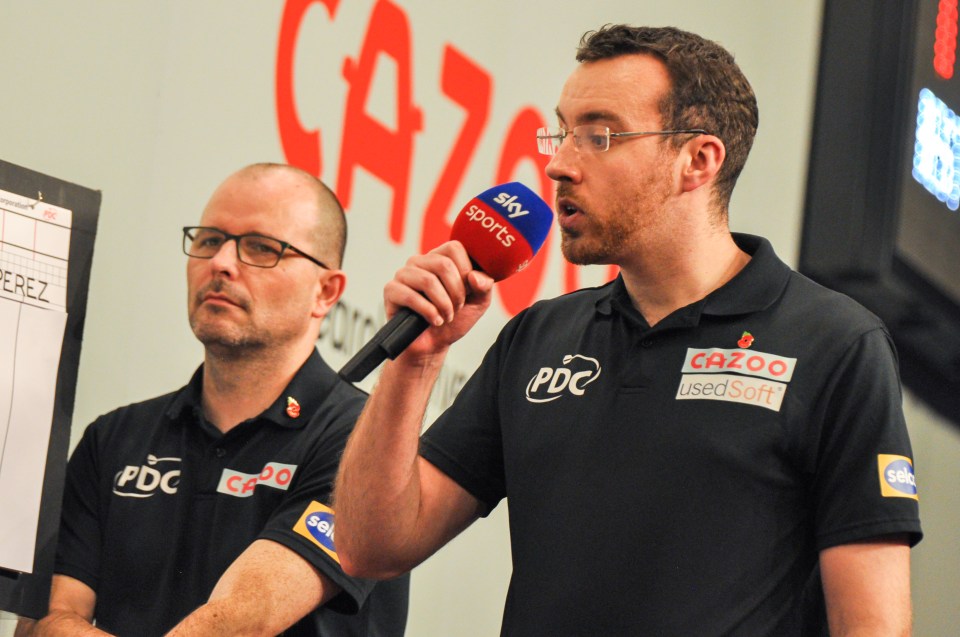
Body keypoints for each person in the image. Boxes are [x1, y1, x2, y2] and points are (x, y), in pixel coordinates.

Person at [333, 25, 922, 636]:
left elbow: (872, 626)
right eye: (561, 132)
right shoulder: (540, 337)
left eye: (600, 135)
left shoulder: (834, 343)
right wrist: (418, 361)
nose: (559, 163)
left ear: (698, 161)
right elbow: (369, 547)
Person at [23, 163, 409, 636]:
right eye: (209, 240)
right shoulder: (114, 438)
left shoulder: (366, 439)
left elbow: (245, 621)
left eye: (261, 248)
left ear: (325, 292)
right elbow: (46, 618)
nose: (221, 262)